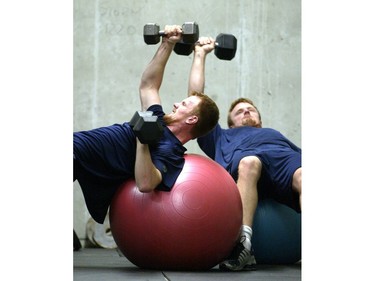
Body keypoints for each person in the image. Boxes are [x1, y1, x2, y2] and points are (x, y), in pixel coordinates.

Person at [73, 26, 219, 225]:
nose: (176, 103)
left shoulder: (170, 153)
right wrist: (168, 43)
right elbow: (148, 85)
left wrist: (143, 143)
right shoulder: (157, 120)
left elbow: (146, 183)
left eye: (183, 104)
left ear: (191, 120)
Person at [188, 37, 302, 271]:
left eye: (251, 109)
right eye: (240, 111)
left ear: (259, 119)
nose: (247, 111)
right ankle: (243, 246)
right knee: (249, 162)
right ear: (230, 124)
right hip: (246, 166)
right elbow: (196, 99)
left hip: (282, 162)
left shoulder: (274, 134)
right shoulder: (220, 137)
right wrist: (200, 53)